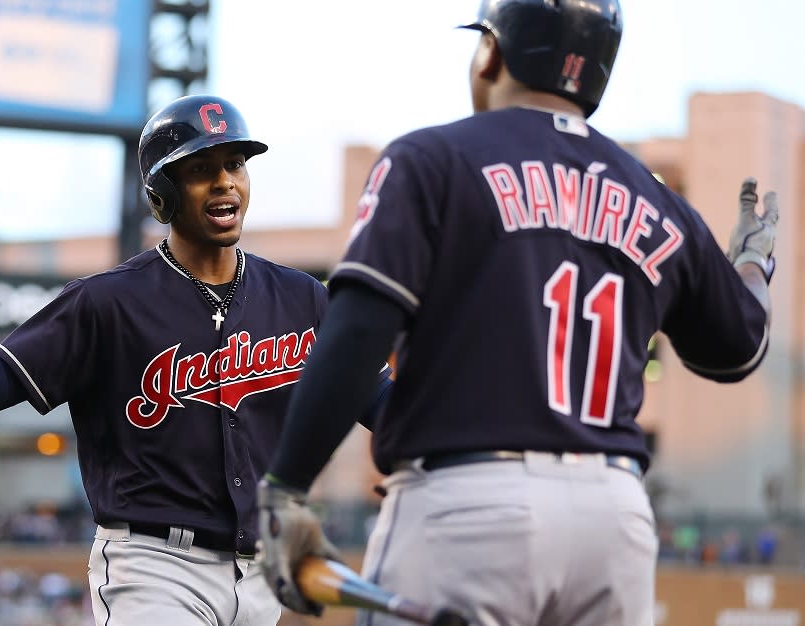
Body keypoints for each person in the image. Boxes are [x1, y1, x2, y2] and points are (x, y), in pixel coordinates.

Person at [254, 1, 779, 625]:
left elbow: (359, 331)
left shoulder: (431, 159)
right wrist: (750, 264)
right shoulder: (659, 200)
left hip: (469, 508)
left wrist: (287, 485)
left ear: (494, 52)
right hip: (614, 521)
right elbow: (738, 347)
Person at [0, 94, 392, 626]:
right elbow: (0, 381)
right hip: (154, 566)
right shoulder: (107, 301)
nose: (225, 182)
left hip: (260, 573)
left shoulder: (302, 298)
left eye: (234, 165)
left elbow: (378, 398)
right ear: (161, 194)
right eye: (200, 169)